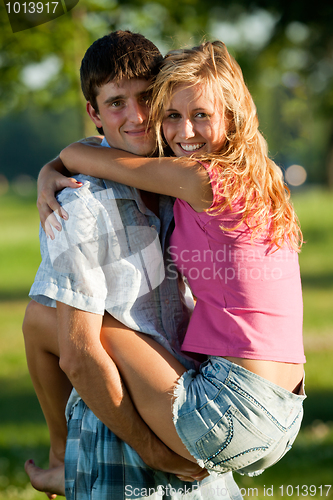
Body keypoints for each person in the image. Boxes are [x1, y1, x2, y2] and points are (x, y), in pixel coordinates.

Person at [57, 40, 307, 478]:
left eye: (201, 116)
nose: (184, 133)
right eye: (171, 115)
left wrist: (51, 171)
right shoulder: (258, 174)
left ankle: (65, 462)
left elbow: (79, 157)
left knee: (84, 329)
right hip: (285, 412)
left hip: (231, 408)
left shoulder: (201, 179)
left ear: (231, 115)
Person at [23, 31, 243, 499]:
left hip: (187, 399)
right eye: (116, 103)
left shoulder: (176, 178)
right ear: (94, 113)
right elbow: (78, 354)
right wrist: (152, 450)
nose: (138, 116)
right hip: (119, 429)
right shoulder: (82, 207)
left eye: (147, 97)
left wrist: (52, 163)